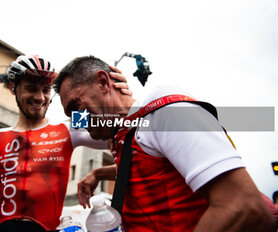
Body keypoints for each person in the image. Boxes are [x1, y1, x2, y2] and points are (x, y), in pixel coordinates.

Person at [53, 55, 275, 231]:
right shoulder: (123, 131)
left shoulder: (162, 110)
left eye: (76, 107)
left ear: (103, 82)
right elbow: (151, 166)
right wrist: (99, 173)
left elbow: (244, 206)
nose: (77, 121)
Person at [0, 55, 130, 232]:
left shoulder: (70, 126)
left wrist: (119, 97)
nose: (40, 97)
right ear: (13, 88)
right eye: (32, 88)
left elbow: (128, 130)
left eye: (46, 90)